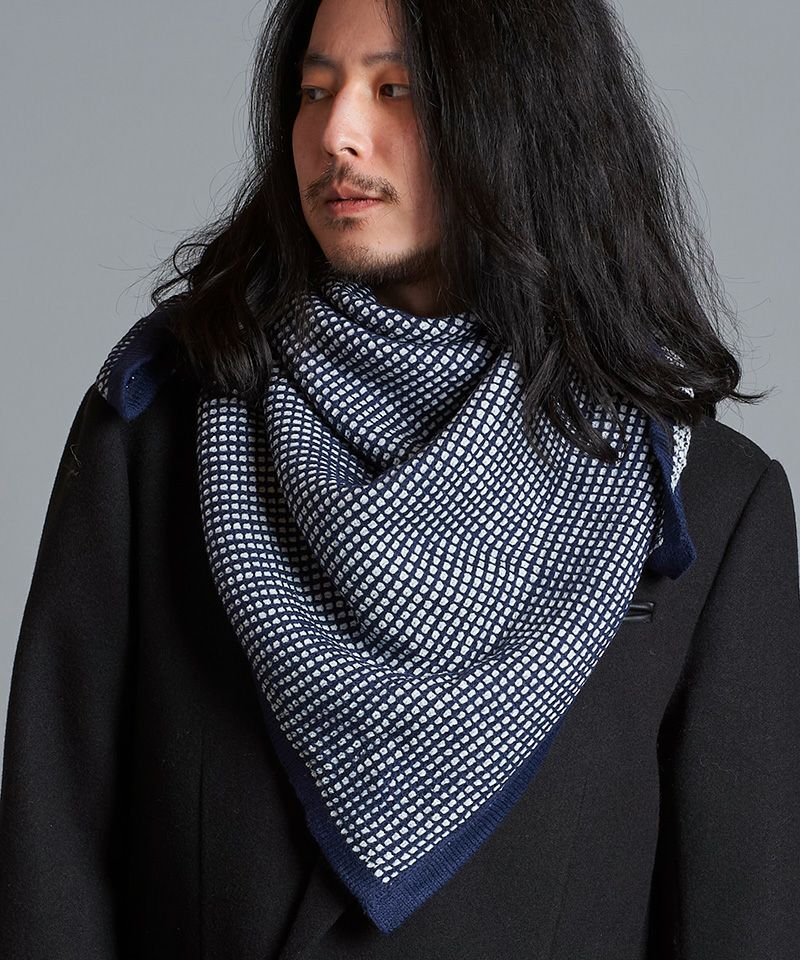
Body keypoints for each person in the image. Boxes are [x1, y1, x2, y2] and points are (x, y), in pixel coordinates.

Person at [1, 0, 798, 956]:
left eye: (396, 89)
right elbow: (50, 867)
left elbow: (737, 922)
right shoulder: (158, 431)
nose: (336, 133)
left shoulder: (706, 507)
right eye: (314, 91)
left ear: (525, 114)